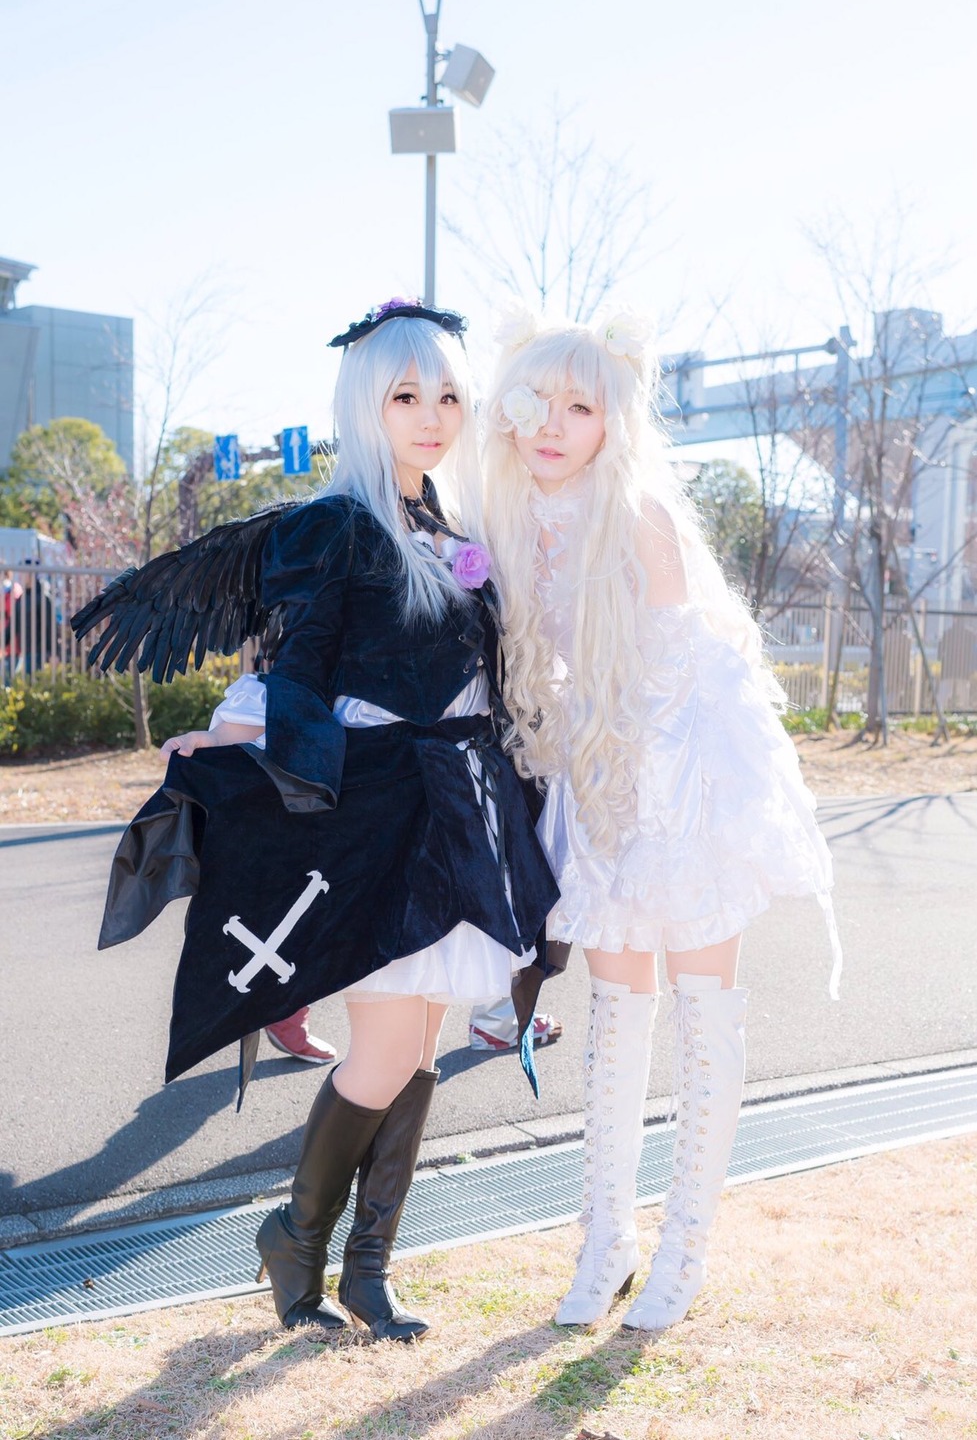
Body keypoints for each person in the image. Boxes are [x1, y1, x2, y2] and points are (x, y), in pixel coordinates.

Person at [84, 300, 559, 1342]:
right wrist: (256, 763)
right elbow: (295, 670)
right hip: (379, 817)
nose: (429, 415)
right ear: (363, 405)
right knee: (388, 1046)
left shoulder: (448, 528)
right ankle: (295, 1241)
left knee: (420, 1045)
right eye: (403, 395)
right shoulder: (335, 525)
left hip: (452, 813)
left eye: (445, 394)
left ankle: (364, 1268)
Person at [481, 310, 840, 1332]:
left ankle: (685, 1246)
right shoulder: (505, 520)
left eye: (579, 407)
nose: (551, 424)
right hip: (594, 781)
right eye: (537, 401)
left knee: (699, 1007)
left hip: (683, 783)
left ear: (611, 423)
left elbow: (686, 673)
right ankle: (606, 1240)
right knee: (614, 1016)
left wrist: (652, 815)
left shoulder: (631, 512)